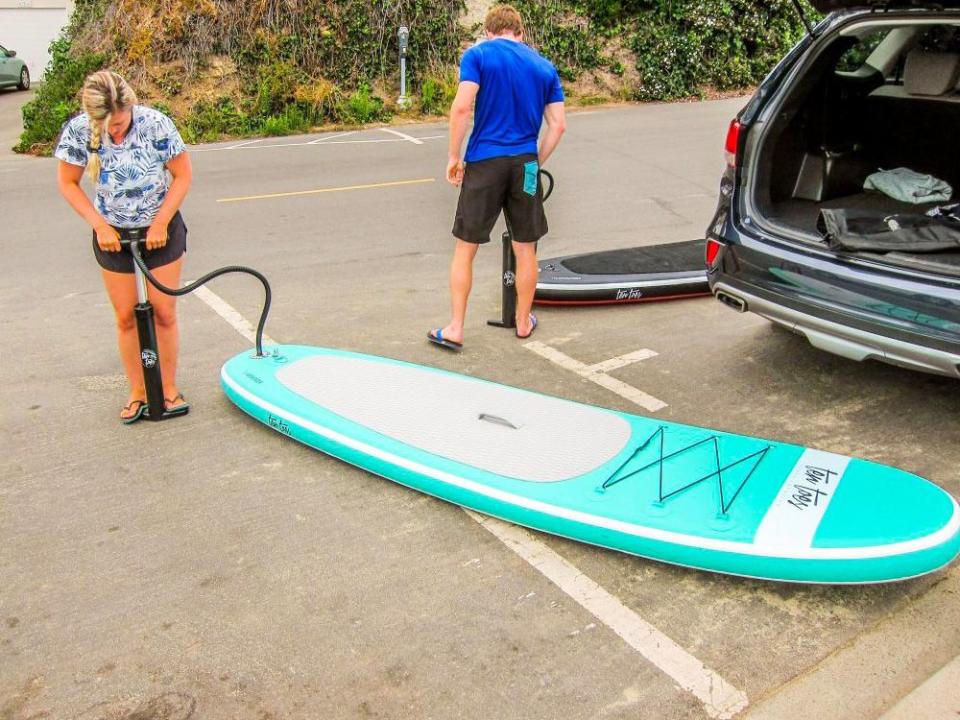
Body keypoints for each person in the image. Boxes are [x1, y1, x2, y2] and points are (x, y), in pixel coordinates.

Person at [55, 70, 192, 423]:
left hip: (159, 229)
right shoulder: (79, 131)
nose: (115, 131)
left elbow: (183, 175)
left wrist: (161, 221)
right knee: (126, 317)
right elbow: (68, 183)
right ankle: (139, 391)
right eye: (109, 127)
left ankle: (168, 388)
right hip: (112, 235)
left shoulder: (155, 124)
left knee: (163, 312)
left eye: (120, 123)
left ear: (129, 106)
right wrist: (100, 226)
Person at [429, 3, 566, 351]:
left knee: (466, 247)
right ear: (520, 32)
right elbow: (558, 126)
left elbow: (462, 107)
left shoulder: (478, 55)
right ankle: (523, 321)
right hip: (526, 164)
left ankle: (456, 328)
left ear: (489, 31)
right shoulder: (544, 66)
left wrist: (453, 156)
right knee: (526, 247)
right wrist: (534, 159)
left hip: (485, 161)